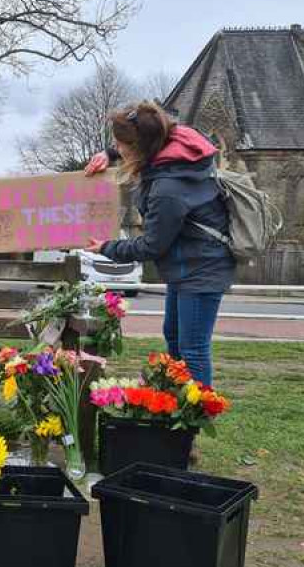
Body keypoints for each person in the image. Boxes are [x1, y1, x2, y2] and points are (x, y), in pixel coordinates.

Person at [84, 100, 235, 386]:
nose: (118, 146)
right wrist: (108, 154)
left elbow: (152, 246)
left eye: (120, 143)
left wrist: (106, 247)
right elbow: (141, 138)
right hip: (185, 263)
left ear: (140, 146)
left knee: (193, 349)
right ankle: (176, 404)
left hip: (202, 268)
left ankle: (197, 415)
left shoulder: (170, 188)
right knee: (174, 338)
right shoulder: (170, 145)